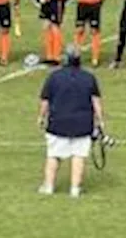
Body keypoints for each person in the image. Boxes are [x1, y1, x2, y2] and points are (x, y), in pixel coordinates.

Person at [37, 45, 105, 198]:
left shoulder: (54, 77)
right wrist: (100, 120)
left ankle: (49, 186)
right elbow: (96, 101)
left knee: (53, 155)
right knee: (78, 156)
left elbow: (45, 101)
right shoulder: (88, 77)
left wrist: (41, 117)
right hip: (82, 124)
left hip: (57, 122)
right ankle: (75, 189)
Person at [74, 0, 110, 67]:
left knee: (94, 31)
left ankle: (95, 58)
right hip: (82, 4)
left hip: (94, 5)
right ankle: (76, 55)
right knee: (79, 29)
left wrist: (100, 1)